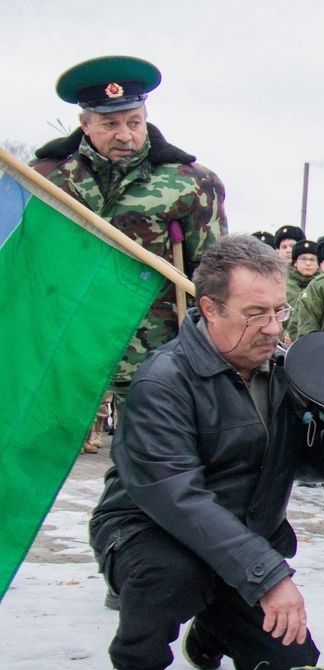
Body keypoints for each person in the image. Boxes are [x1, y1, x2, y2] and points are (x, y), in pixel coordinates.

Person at [89, 235, 319, 670]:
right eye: (256, 314)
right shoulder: (163, 382)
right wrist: (267, 575)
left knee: (290, 667)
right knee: (172, 574)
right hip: (151, 531)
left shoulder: (286, 372)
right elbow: (177, 498)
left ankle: (213, 632)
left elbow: (304, 459)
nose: (272, 328)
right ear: (211, 308)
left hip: (245, 533)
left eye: (279, 311)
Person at [31, 55, 227, 442]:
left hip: (150, 351)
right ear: (85, 125)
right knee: (38, 452)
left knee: (152, 453)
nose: (125, 135)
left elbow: (211, 273)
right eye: (109, 124)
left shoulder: (190, 183)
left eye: (134, 121)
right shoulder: (46, 177)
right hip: (65, 345)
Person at [285, 239, 319, 306]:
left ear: (318, 264)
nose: (308, 263)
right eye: (303, 259)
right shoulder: (284, 284)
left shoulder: (323, 283)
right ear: (295, 263)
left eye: (312, 260)